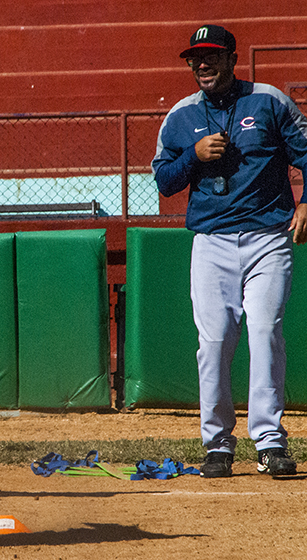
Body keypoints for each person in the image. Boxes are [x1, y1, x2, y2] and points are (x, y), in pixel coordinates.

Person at [152, 24, 307, 478]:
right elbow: (164, 182)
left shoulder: (269, 100)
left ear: (232, 58)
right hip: (212, 242)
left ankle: (270, 442)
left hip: (267, 237)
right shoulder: (181, 116)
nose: (202, 64)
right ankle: (217, 444)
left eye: (212, 56)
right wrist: (194, 155)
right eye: (194, 58)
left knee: (264, 332)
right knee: (215, 341)